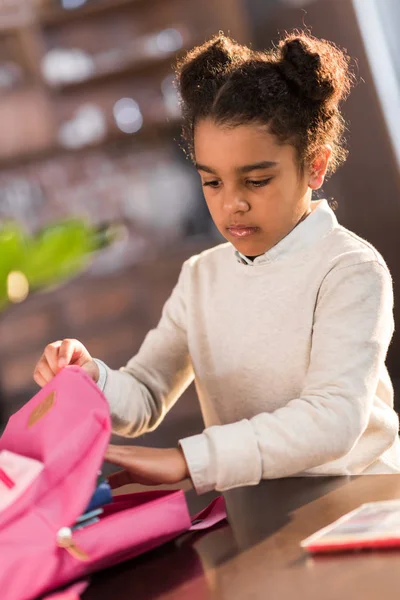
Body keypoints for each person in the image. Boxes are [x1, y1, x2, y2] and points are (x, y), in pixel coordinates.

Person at [33, 31, 400, 494]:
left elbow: (333, 420)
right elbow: (146, 393)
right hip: (256, 510)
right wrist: (93, 379)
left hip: (361, 504)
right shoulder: (202, 277)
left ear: (316, 166)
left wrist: (189, 459)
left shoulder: (349, 270)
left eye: (257, 180)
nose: (232, 205)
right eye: (212, 183)